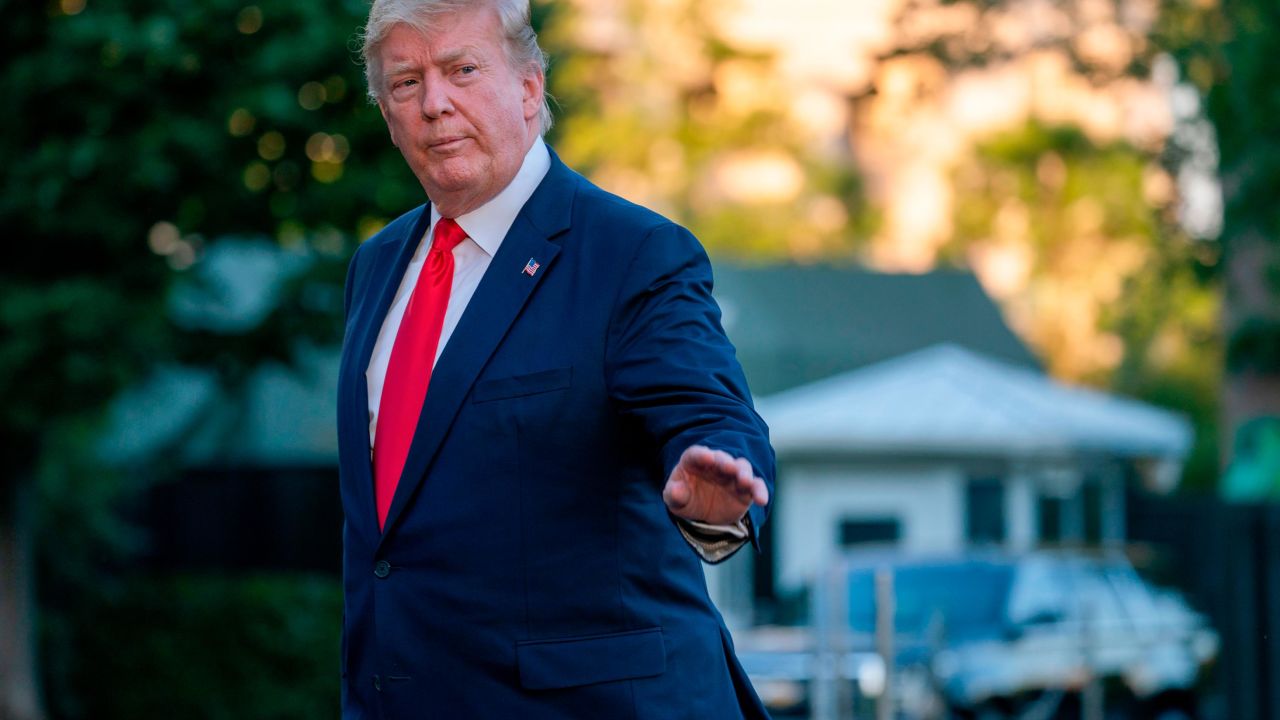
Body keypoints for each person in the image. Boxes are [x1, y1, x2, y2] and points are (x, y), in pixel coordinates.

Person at [336, 0, 775, 716]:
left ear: (530, 88)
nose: (435, 104)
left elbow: (711, 415)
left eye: (462, 70)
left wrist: (717, 494)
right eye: (406, 83)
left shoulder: (630, 252)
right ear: (386, 112)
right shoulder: (376, 265)